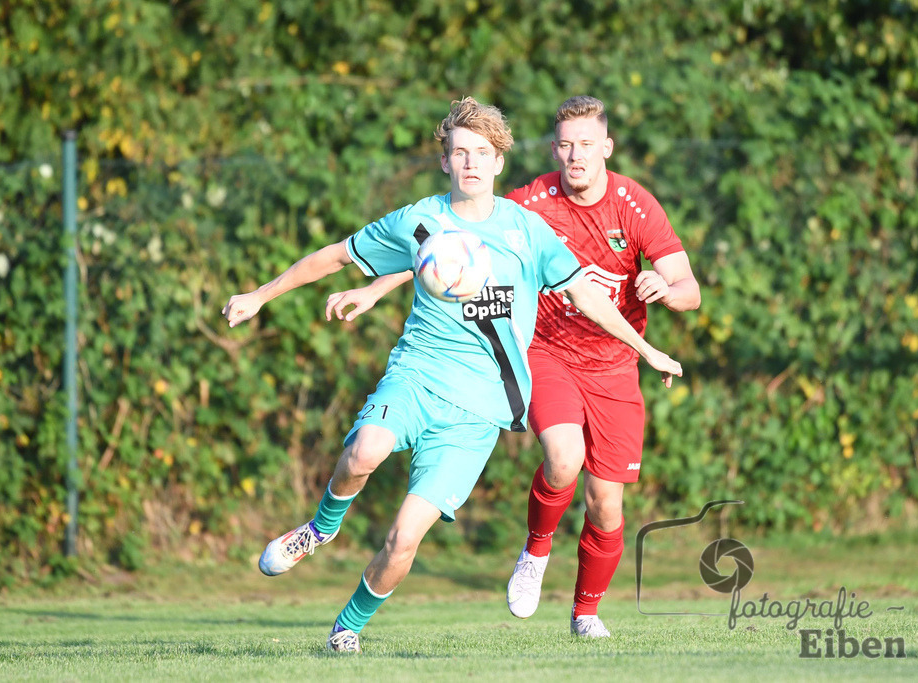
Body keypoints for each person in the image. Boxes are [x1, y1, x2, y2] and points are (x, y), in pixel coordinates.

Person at [223, 97, 683, 653]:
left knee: (402, 539)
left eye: (482, 153)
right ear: (445, 162)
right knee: (364, 451)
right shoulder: (418, 220)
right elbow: (338, 255)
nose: (470, 163)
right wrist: (259, 295)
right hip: (417, 376)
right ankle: (320, 528)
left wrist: (647, 348)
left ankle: (346, 629)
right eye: (459, 152)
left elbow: (586, 293)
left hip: (478, 410)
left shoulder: (525, 230)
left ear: (498, 164)